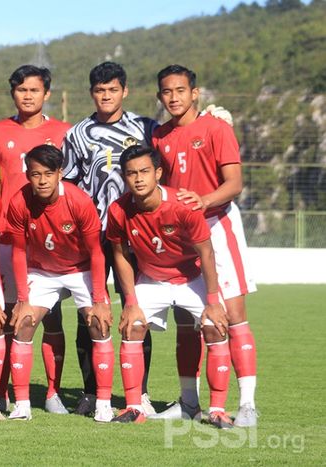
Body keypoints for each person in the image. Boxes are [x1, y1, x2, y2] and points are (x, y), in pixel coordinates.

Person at [152, 64, 258, 427]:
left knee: (233, 315)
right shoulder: (159, 136)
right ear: (160, 96)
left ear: (195, 93)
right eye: (167, 91)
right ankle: (188, 402)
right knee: (187, 319)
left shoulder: (216, 127)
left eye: (180, 90)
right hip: (181, 234)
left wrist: (204, 199)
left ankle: (246, 404)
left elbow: (235, 183)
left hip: (218, 225)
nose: (174, 97)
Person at [106, 145, 233, 429]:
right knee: (131, 326)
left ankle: (217, 410)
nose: (138, 179)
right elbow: (120, 255)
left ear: (158, 173)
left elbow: (206, 253)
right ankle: (134, 407)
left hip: (191, 278)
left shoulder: (183, 206)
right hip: (151, 279)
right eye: (131, 173)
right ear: (124, 177)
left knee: (215, 326)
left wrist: (213, 300)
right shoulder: (118, 210)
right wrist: (130, 301)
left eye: (144, 172)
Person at [62, 61, 156, 416]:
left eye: (112, 90)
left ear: (124, 91)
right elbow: (68, 185)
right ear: (91, 93)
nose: (106, 96)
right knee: (89, 313)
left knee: (136, 310)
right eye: (100, 91)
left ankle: (141, 392)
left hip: (135, 234)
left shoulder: (145, 128)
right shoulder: (77, 134)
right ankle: (89, 391)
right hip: (94, 236)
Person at [0, 65, 72, 414]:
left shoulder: (64, 132)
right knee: (11, 316)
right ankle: (6, 389)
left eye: (34, 90)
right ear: (13, 93)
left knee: (51, 318)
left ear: (46, 94)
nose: (27, 96)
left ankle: (52, 392)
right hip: (9, 237)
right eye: (21, 90)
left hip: (48, 239)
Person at [6, 144, 112, 421]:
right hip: (42, 272)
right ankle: (22, 405)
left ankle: (103, 404)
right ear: (28, 175)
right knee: (24, 322)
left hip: (81, 270)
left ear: (60, 173)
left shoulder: (79, 201)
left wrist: (100, 300)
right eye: (35, 174)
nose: (41, 181)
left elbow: (96, 252)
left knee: (98, 324)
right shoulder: (19, 202)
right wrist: (22, 299)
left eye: (48, 174)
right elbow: (18, 251)